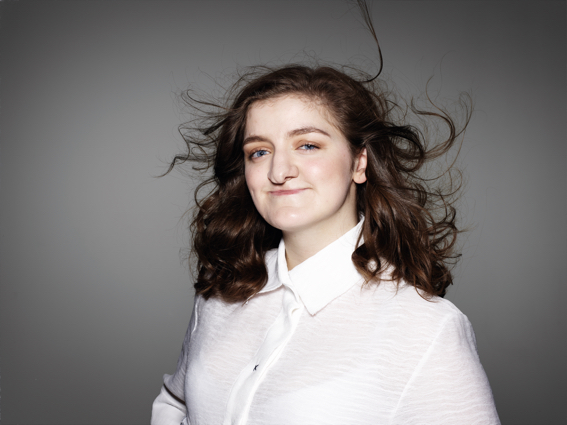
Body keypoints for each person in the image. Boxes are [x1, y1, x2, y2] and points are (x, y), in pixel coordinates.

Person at [151, 7, 500, 425]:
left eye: (308, 145)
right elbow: (177, 403)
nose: (279, 171)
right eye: (259, 152)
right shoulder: (220, 296)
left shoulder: (426, 329)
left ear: (359, 163)